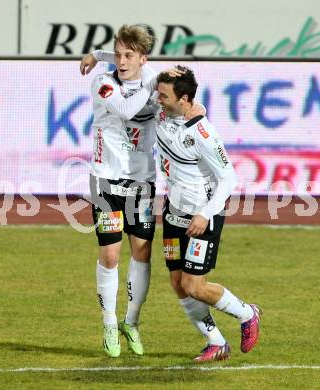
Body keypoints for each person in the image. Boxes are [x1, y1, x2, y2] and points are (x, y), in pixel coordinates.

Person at [155, 66, 261, 361]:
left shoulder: (202, 132)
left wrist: (204, 214)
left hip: (202, 217)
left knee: (193, 286)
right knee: (177, 283)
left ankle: (246, 313)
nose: (157, 99)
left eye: (163, 95)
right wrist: (162, 70)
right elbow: (136, 72)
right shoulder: (161, 112)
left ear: (184, 99)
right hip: (173, 211)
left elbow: (228, 178)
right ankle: (216, 342)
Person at [82, 25, 158, 358]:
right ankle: (110, 323)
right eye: (118, 53)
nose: (122, 61)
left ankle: (132, 321)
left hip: (142, 183)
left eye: (129, 55)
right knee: (111, 256)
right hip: (105, 181)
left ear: (143, 57)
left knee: (142, 254)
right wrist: (101, 58)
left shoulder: (154, 80)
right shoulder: (103, 82)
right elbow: (127, 111)